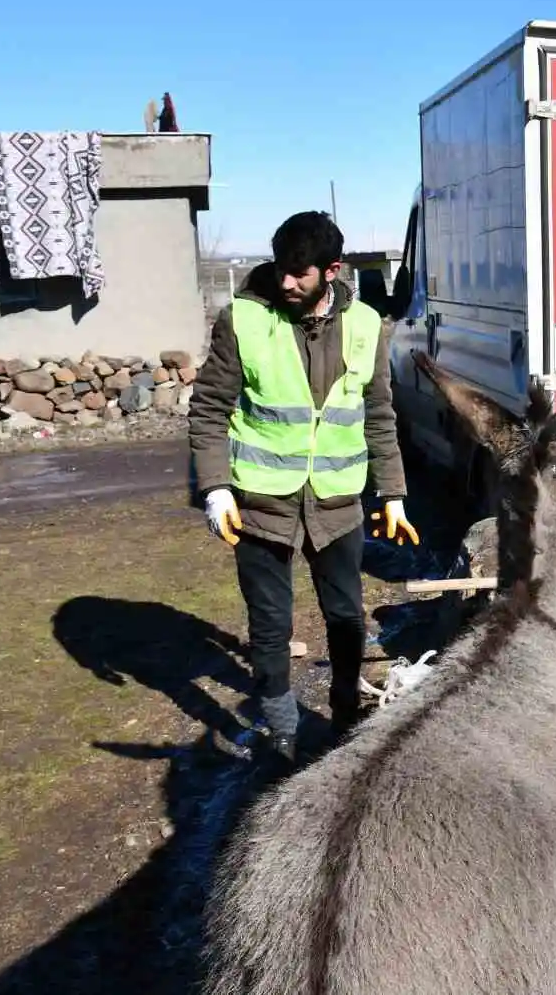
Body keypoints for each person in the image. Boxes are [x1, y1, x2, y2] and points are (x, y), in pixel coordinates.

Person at [188, 210, 418, 764]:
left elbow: (378, 413)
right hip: (261, 505)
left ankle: (344, 712)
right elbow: (209, 409)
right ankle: (282, 728)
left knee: (345, 616)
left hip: (338, 504)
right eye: (281, 270)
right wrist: (216, 487)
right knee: (271, 625)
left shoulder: (366, 325)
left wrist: (392, 493)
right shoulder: (243, 319)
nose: (286, 283)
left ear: (332, 271)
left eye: (300, 274)